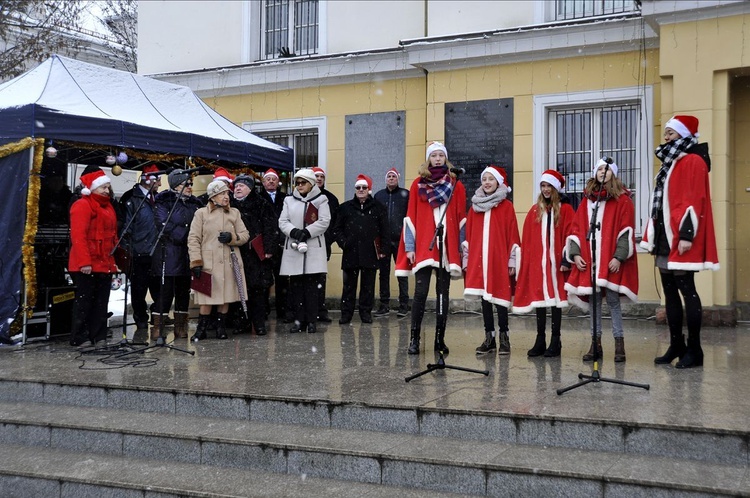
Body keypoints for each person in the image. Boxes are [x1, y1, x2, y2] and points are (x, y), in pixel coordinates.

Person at [641, 115, 719, 369]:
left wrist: (686, 234)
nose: (666, 137)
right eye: (665, 133)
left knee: (687, 290)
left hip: (682, 236)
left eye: (671, 133)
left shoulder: (693, 160)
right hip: (666, 235)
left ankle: (695, 350)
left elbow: (695, 200)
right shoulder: (671, 162)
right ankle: (677, 344)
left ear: (684, 135)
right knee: (670, 293)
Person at [395, 142, 466, 355]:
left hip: (447, 245)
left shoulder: (456, 185)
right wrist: (410, 247)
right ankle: (414, 338)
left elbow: (462, 218)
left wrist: (462, 246)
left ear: (445, 158)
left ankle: (439, 340)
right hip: (424, 245)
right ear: (428, 159)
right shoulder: (418, 184)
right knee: (420, 293)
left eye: (440, 155)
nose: (437, 159)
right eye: (433, 155)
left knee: (442, 295)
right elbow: (411, 217)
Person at [565, 158, 639, 363]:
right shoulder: (588, 201)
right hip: (591, 260)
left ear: (612, 174)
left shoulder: (622, 200)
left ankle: (619, 344)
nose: (601, 173)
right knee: (594, 303)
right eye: (598, 169)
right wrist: (576, 253)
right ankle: (595, 344)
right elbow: (576, 229)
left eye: (605, 170)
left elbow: (626, 231)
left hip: (610, 260)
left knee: (613, 301)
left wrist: (618, 257)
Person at [514, 170, 575, 358]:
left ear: (556, 188)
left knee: (556, 301)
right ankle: (540, 339)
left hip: (557, 263)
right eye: (543, 186)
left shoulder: (565, 209)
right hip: (539, 265)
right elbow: (529, 239)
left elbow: (571, 235)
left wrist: (566, 259)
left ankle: (555, 341)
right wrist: (529, 262)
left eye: (549, 186)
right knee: (539, 300)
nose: (546, 189)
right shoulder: (535, 210)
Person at [463, 165, 520, 356]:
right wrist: (467, 259)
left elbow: (513, 235)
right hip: (480, 261)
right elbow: (469, 237)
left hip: (498, 260)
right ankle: (489, 337)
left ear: (498, 182)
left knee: (501, 298)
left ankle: (504, 337)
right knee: (484, 300)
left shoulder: (506, 207)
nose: (487, 182)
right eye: (484, 179)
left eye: (491, 179)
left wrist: (512, 260)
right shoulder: (475, 208)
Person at [188, 180, 250, 341]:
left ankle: (221, 328)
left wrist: (232, 238)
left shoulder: (234, 213)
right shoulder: (201, 213)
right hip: (209, 262)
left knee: (226, 295)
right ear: (213, 197)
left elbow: (245, 235)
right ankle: (201, 330)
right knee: (206, 298)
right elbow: (193, 239)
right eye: (222, 193)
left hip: (229, 261)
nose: (226, 196)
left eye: (227, 193)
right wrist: (196, 261)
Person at [68, 165, 119, 348]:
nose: (107, 190)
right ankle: (80, 336)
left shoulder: (108, 207)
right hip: (87, 262)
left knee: (101, 302)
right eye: (103, 187)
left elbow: (112, 237)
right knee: (85, 301)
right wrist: (84, 262)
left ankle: (98, 335)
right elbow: (78, 236)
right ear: (92, 188)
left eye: (107, 187)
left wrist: (114, 261)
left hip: (104, 261)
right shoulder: (82, 205)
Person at [151, 169, 202, 341]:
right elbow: (164, 225)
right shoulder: (164, 202)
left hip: (188, 253)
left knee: (183, 291)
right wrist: (186, 235)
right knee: (165, 291)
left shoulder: (194, 204)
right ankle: (158, 326)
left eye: (190, 184)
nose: (189, 187)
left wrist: (193, 238)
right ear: (175, 185)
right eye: (185, 184)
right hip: (170, 252)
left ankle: (181, 325)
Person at [279, 168, 331, 334]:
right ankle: (298, 320)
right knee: (296, 288)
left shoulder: (321, 199)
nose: (299, 186)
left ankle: (311, 321)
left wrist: (307, 232)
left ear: (311, 184)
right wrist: (294, 232)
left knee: (311, 288)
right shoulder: (288, 200)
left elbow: (324, 221)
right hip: (294, 247)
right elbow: (283, 221)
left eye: (303, 183)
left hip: (313, 247)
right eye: (297, 183)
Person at [333, 174, 388, 324]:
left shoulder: (378, 208)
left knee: (368, 287)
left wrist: (382, 249)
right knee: (348, 287)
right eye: (358, 187)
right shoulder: (345, 208)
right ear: (355, 189)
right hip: (351, 252)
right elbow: (337, 229)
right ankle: (346, 314)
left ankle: (365, 313)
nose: (361, 190)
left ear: (369, 189)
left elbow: (385, 231)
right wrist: (343, 243)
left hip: (370, 253)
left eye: (364, 187)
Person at [231, 173, 277, 336]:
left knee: (257, 291)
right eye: (236, 186)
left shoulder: (261, 204)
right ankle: (241, 322)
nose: (237, 188)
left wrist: (269, 249)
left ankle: (258, 324)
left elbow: (270, 227)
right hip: (236, 252)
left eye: (241, 186)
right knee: (238, 290)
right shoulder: (229, 205)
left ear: (250, 189)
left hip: (256, 254)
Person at [120, 163, 162, 331]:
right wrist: (128, 252)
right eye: (157, 179)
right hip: (139, 252)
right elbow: (126, 229)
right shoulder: (133, 200)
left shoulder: (158, 199)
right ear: (147, 180)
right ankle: (141, 318)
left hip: (157, 252)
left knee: (159, 288)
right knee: (139, 289)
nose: (159, 183)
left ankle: (157, 316)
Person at [373, 167, 410, 318]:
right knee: (384, 273)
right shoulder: (379, 196)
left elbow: (410, 216)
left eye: (393, 176)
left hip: (400, 239)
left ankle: (404, 305)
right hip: (384, 241)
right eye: (389, 176)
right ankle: (384, 305)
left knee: (402, 273)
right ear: (385, 179)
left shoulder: (405, 195)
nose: (391, 178)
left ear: (398, 179)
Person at [259, 168, 290, 322]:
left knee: (282, 279)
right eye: (268, 179)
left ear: (278, 182)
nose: (271, 181)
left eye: (274, 179)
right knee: (264, 279)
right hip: (264, 244)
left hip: (282, 244)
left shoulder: (286, 199)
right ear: (263, 182)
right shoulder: (259, 198)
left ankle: (283, 311)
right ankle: (263, 311)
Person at [312, 166, 339, 323]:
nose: (319, 179)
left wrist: (327, 240)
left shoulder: (331, 199)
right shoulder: (302, 197)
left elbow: (335, 223)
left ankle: (320, 310)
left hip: (323, 244)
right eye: (316, 176)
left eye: (322, 176)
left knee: (320, 277)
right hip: (306, 244)